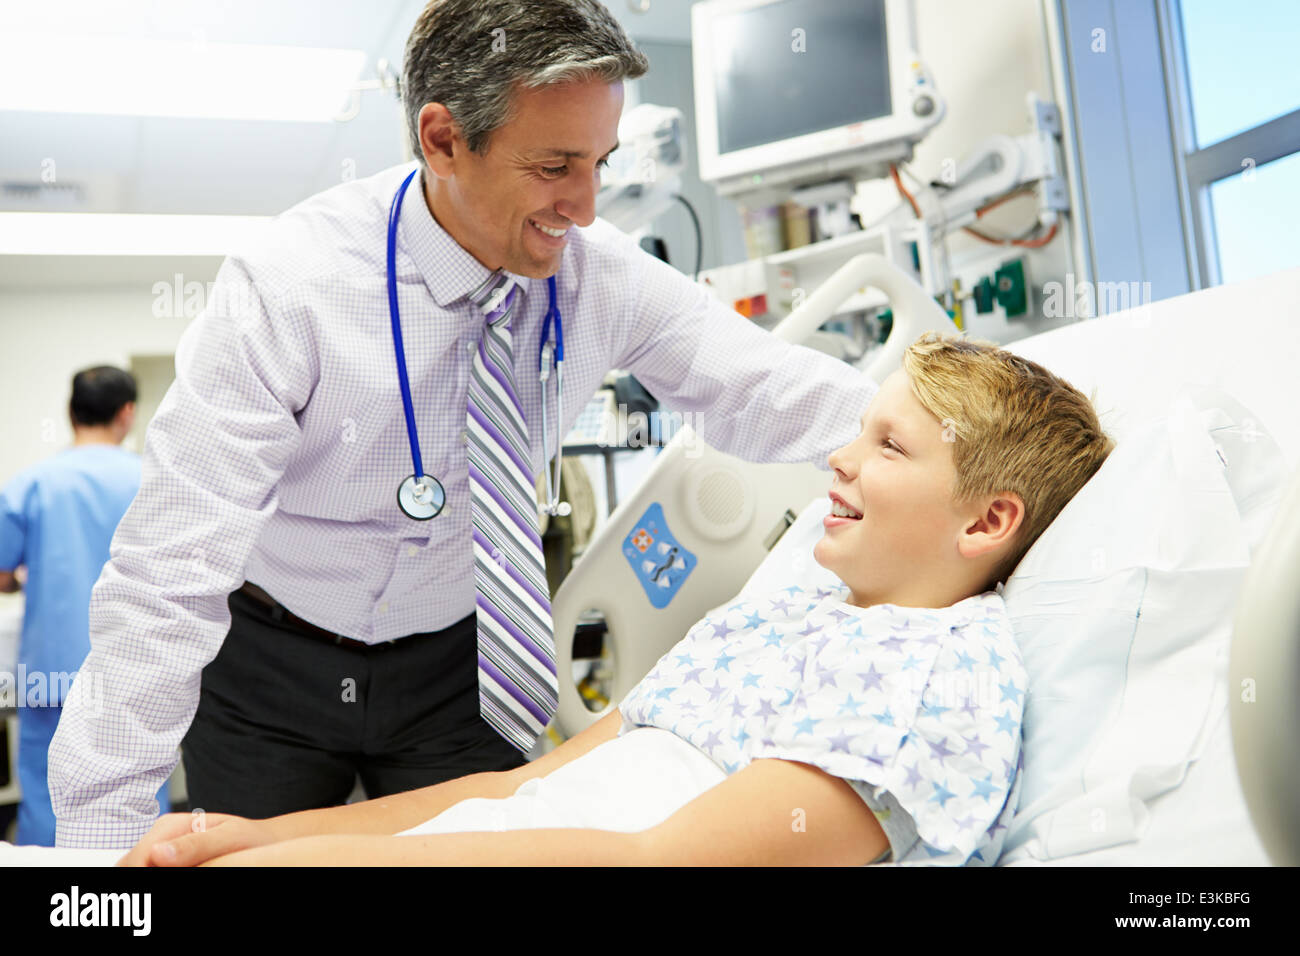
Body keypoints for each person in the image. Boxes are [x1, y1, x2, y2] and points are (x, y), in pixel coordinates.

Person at [47, 0, 879, 850]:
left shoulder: (603, 279)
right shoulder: (292, 288)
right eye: (556, 165)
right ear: (443, 139)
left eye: (601, 162)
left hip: (462, 664)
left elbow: (770, 391)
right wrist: (94, 839)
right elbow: (170, 569)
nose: (587, 206)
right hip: (271, 669)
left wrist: (953, 437)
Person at [108, 333, 1115, 866]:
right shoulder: (779, 617)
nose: (841, 459)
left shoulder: (928, 675)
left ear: (986, 523)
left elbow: (656, 859)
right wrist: (269, 836)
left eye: (888, 446)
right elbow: (518, 790)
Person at [0, 366, 170, 845]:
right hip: (136, 669)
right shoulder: (152, 478)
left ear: (70, 412)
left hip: (50, 671)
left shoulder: (32, 483)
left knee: (45, 785)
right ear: (127, 413)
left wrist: (16, 581)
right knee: (137, 786)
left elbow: (1, 570)